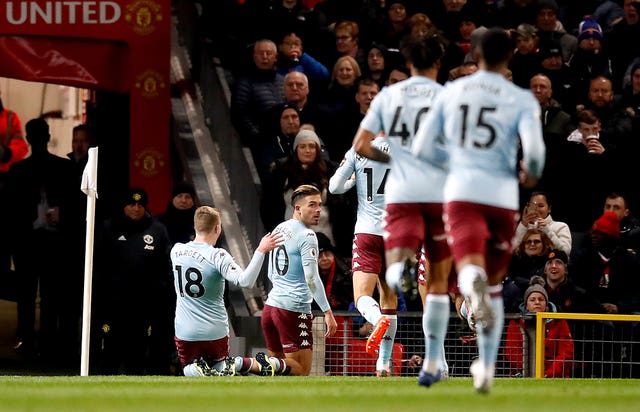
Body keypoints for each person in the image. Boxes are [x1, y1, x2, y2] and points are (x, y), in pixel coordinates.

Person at [412, 28, 545, 393]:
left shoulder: (452, 92)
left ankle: (465, 306)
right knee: (496, 284)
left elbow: (423, 147)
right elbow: (534, 157)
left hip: (462, 193)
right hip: (502, 198)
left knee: (451, 276)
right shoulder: (521, 99)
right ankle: (485, 368)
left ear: (475, 53)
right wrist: (528, 175)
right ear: (510, 57)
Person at [353, 33, 452, 385]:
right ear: (438, 63)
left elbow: (362, 144)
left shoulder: (389, 96)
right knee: (435, 285)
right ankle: (437, 361)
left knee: (391, 284)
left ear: (408, 63)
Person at [171, 206, 285, 376]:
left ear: (195, 226)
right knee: (220, 363)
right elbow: (246, 281)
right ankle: (251, 364)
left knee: (187, 366)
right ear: (218, 228)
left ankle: (196, 369)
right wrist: (260, 251)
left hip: (186, 329)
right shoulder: (218, 256)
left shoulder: (177, 250)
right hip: (215, 330)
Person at [5, 117, 77, 361]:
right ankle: (37, 341)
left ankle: (37, 341)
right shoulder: (61, 168)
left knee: (42, 295)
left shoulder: (24, 171)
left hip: (46, 242)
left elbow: (75, 205)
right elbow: (10, 212)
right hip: (31, 242)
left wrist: (62, 214)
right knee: (40, 295)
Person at [329, 135, 399, 376]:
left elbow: (334, 187)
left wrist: (352, 182)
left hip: (367, 232)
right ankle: (384, 363)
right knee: (389, 299)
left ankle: (377, 319)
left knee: (362, 296)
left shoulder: (358, 149)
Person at [94, 187, 174, 374]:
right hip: (114, 301)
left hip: (145, 301)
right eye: (131, 204)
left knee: (138, 349)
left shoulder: (157, 229)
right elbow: (99, 263)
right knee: (111, 347)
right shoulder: (109, 227)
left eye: (140, 205)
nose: (136, 209)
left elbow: (165, 263)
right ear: (123, 206)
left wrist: (160, 290)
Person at [261, 184, 338, 376]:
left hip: (271, 308)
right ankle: (249, 364)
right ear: (297, 208)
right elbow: (312, 278)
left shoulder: (280, 227)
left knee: (280, 372)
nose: (318, 210)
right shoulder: (307, 235)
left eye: (320, 205)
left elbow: (271, 271)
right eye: (312, 205)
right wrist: (327, 312)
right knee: (302, 370)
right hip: (292, 310)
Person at [504, 276, 574, 378]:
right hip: (523, 375)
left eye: (541, 299)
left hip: (555, 376)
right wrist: (531, 372)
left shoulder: (560, 322)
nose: (537, 302)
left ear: (546, 305)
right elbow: (512, 352)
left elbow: (566, 353)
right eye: (532, 300)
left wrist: (547, 374)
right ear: (526, 305)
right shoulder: (515, 323)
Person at [231, 39, 285, 153]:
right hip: (260, 144)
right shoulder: (244, 83)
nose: (265, 57)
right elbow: (240, 114)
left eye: (268, 53)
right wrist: (258, 137)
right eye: (261, 53)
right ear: (254, 56)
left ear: (275, 57)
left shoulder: (283, 81)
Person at [503, 228, 554, 312]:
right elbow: (512, 278)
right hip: (516, 301)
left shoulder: (550, 262)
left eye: (536, 241)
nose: (532, 244)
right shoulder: (514, 260)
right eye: (528, 242)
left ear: (544, 244)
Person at [315, 231, 353, 311]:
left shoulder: (350, 269)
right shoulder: (307, 275)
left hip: (349, 317)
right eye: (319, 255)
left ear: (333, 253)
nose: (324, 258)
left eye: (327, 253)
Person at [158, 181, 198, 246]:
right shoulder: (160, 222)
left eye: (187, 197)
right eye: (179, 196)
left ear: (193, 200)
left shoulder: (202, 222)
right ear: (173, 198)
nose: (183, 200)